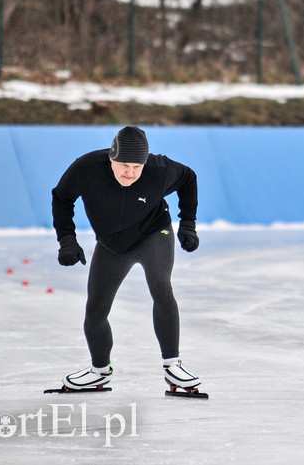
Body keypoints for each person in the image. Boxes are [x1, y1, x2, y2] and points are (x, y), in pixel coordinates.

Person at [52, 125, 203, 391]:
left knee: (160, 285)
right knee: (96, 308)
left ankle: (172, 365)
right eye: (123, 165)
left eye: (136, 167)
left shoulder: (160, 169)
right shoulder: (86, 168)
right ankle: (100, 370)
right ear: (111, 158)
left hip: (153, 233)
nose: (130, 173)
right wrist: (67, 240)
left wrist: (188, 224)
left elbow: (188, 178)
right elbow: (62, 198)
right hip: (112, 244)